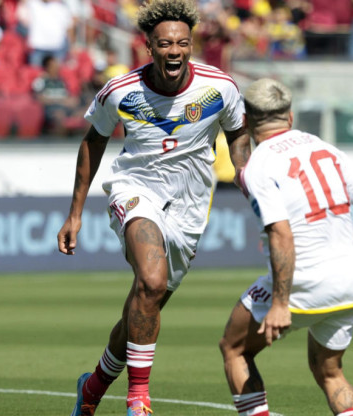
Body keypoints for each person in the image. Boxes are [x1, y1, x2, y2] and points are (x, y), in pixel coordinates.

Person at [56, 1, 251, 415]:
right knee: (151, 277)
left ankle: (91, 388)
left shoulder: (221, 88)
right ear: (149, 47)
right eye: (165, 44)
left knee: (144, 304)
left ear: (191, 45)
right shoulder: (121, 91)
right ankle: (138, 398)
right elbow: (93, 141)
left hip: (191, 207)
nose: (175, 51)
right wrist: (74, 213)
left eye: (182, 42)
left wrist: (249, 179)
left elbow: (237, 135)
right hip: (135, 189)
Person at [219, 78, 353, 416]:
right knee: (329, 371)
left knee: (234, 348)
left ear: (247, 122)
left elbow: (281, 233)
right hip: (349, 279)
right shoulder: (320, 145)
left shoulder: (260, 166)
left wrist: (281, 302)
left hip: (302, 282)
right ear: (290, 117)